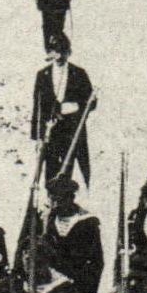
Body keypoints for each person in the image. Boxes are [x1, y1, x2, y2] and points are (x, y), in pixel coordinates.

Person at [30, 33, 92, 185]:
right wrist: (37, 136)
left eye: (61, 51)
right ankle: (51, 202)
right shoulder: (42, 75)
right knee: (50, 168)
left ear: (68, 52)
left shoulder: (79, 74)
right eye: (55, 51)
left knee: (68, 169)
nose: (58, 56)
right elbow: (37, 107)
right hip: (50, 133)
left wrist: (75, 107)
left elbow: (91, 101)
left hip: (72, 132)